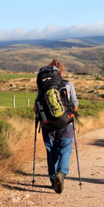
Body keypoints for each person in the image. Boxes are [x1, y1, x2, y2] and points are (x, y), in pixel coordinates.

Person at [33, 59, 78, 194]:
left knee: (51, 151)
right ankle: (61, 173)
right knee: (65, 149)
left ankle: (53, 179)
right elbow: (75, 104)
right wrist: (70, 114)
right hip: (66, 124)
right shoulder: (68, 85)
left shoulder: (43, 88)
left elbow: (36, 108)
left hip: (47, 126)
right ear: (61, 72)